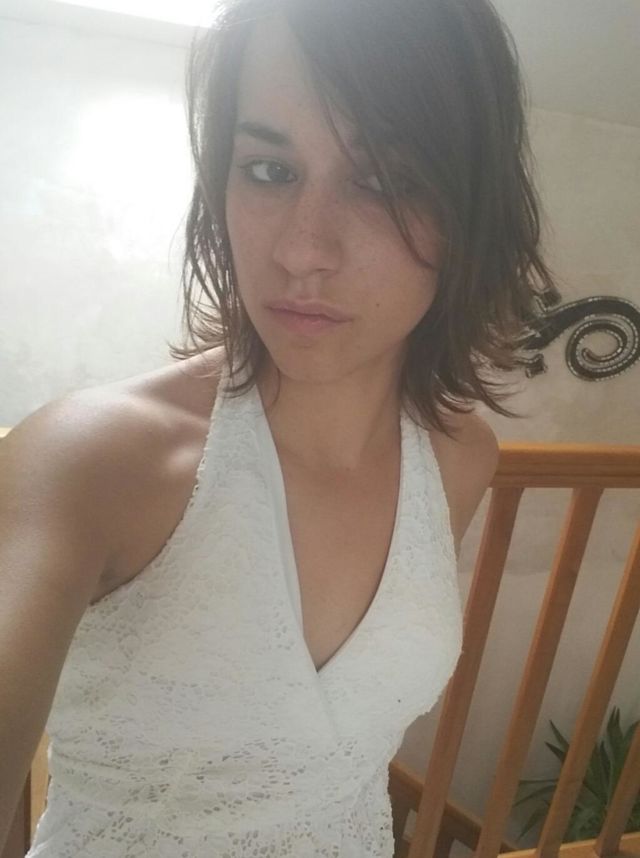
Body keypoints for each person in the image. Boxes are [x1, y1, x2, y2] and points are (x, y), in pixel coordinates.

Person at [0, 0, 556, 855]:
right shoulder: (94, 460)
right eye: (268, 169)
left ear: (469, 211)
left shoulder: (460, 457)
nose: (302, 250)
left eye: (386, 180)